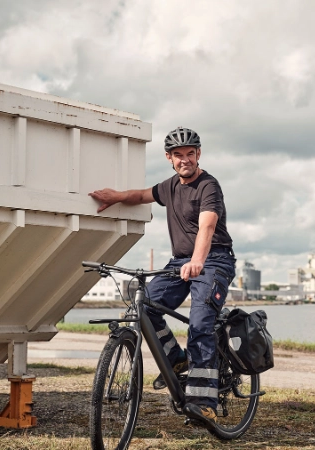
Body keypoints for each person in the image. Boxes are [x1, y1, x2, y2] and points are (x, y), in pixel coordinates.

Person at [89, 126, 235, 431]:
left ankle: (205, 403)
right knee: (147, 306)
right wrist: (115, 197)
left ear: (198, 155)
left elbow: (207, 227)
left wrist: (198, 261)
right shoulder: (169, 187)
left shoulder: (209, 186)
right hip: (179, 262)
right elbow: (141, 195)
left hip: (214, 260)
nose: (185, 160)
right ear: (169, 158)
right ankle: (177, 359)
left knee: (199, 324)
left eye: (190, 154)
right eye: (179, 155)